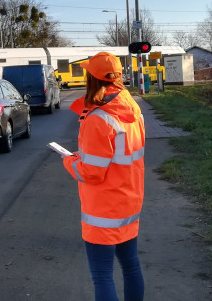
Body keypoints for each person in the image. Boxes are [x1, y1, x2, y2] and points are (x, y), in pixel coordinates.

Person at [62, 52, 145, 301]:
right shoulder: (133, 107)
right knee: (131, 266)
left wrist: (70, 160)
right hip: (129, 203)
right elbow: (122, 155)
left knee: (102, 275)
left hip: (103, 211)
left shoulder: (97, 118)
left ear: (91, 78)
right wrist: (85, 155)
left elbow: (91, 173)